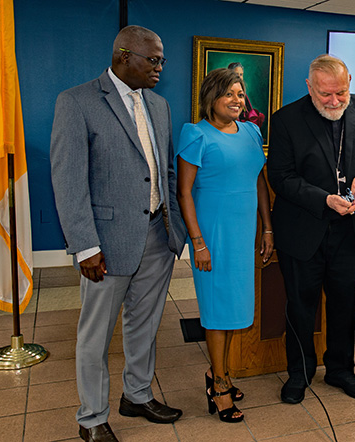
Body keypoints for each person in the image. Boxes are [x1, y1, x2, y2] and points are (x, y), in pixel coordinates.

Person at [50, 25, 186, 442]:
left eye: (162, 60)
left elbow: (163, 171)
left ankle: (138, 395)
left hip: (156, 235)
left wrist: (174, 228)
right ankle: (91, 417)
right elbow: (68, 180)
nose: (160, 67)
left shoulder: (159, 106)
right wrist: (85, 245)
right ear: (123, 56)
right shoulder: (77, 102)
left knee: (144, 325)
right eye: (154, 60)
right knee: (95, 335)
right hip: (105, 243)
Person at [266, 54, 355, 404]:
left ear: (349, 81)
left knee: (345, 303)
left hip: (350, 231)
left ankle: (340, 369)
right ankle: (300, 372)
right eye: (325, 95)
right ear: (310, 87)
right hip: (303, 230)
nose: (334, 101)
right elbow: (281, 177)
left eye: (340, 92)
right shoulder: (287, 119)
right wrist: (323, 199)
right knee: (300, 306)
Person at [176, 68, 273, 423]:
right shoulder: (195, 134)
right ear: (211, 98)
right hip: (213, 234)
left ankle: (221, 371)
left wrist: (267, 229)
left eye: (240, 93)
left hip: (243, 231)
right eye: (229, 94)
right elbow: (184, 192)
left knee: (235, 310)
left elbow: (258, 181)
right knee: (217, 313)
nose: (237, 100)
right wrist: (197, 242)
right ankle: (219, 386)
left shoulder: (251, 131)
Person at [227, 62, 265, 127]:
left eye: (241, 74)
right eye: (236, 74)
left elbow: (249, 111)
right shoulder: (224, 91)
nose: (239, 77)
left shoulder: (243, 92)